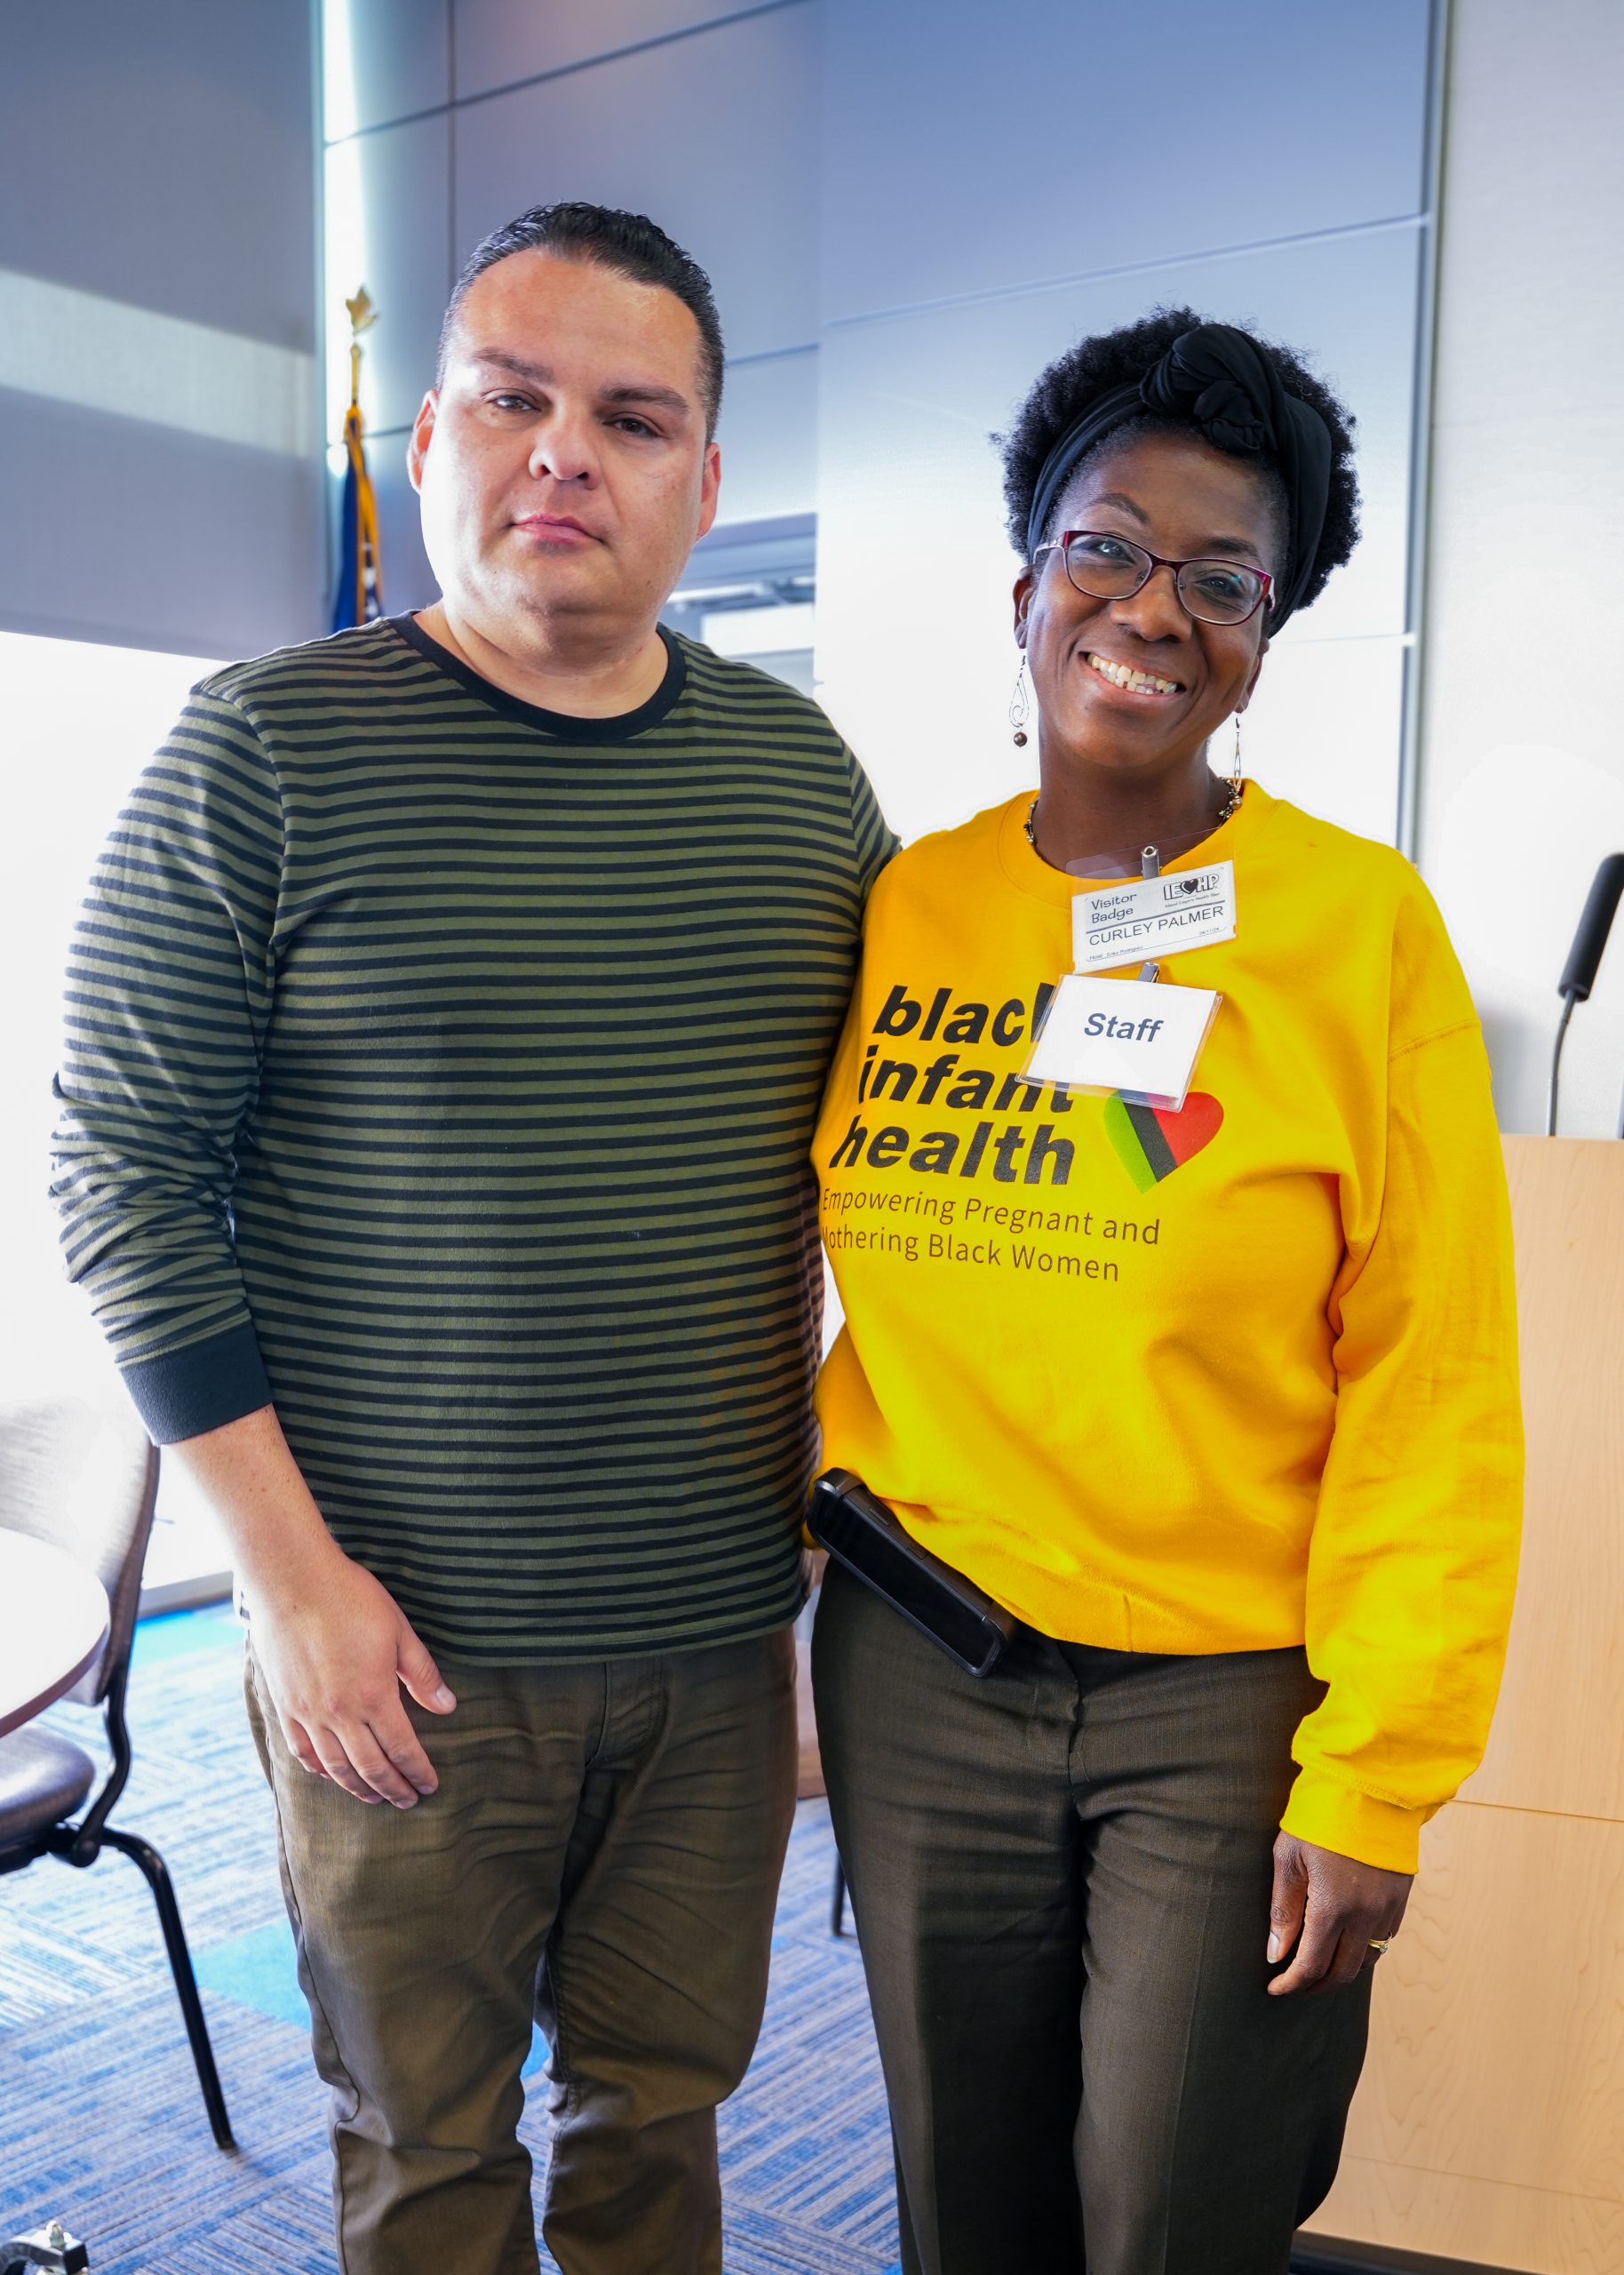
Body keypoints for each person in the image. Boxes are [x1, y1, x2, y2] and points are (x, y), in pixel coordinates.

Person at [52, 202, 893, 2275]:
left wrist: (806, 1600)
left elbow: (879, 1183)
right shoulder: (258, 753)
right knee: (426, 2148)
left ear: (703, 480)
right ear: (425, 437)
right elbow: (118, 1174)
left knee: (659, 2119)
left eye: (630, 415)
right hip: (391, 1642)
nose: (562, 453)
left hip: (708, 1638)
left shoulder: (800, 784)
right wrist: (291, 1580)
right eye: (513, 398)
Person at [809, 310, 1522, 2275]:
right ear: (1025, 579)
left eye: (1222, 578)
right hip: (919, 1661)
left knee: (1175, 2204)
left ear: (1266, 634)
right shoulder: (904, 903)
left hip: (1224, 1698)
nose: (1152, 607)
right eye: (1108, 545)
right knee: (965, 2198)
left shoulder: (1354, 927)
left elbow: (1431, 1375)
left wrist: (1373, 1772)